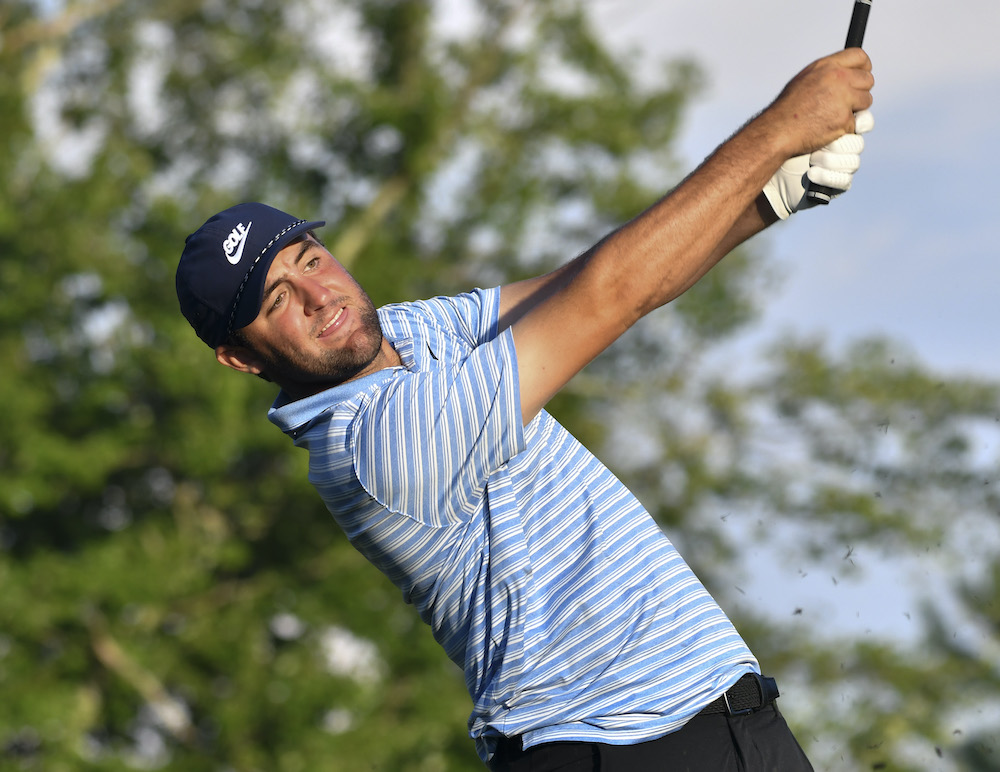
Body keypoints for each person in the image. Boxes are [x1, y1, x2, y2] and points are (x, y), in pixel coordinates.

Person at [176, 48, 875, 771]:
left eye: (310, 259)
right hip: (615, 748)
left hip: (722, 719)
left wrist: (768, 198)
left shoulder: (406, 332)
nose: (321, 297)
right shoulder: (377, 445)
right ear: (244, 357)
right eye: (277, 301)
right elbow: (608, 297)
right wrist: (776, 132)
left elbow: (581, 282)